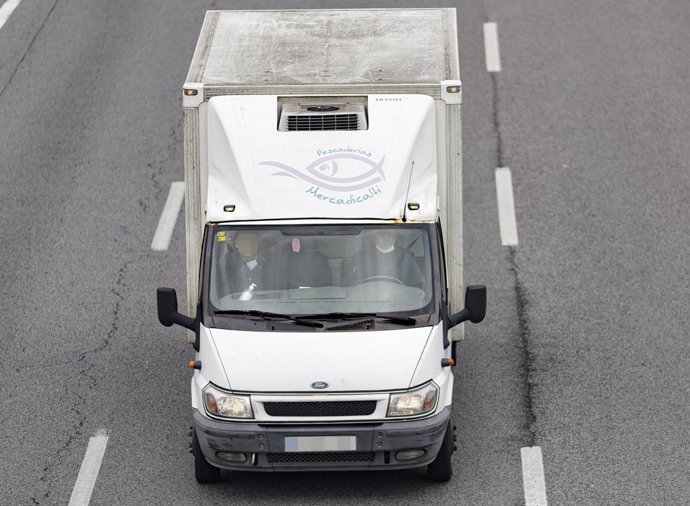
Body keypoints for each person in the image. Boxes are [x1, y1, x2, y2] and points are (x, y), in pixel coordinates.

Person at [349, 230, 425, 288]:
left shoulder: (406, 256)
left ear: (394, 238)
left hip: (399, 300)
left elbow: (418, 283)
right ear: (375, 238)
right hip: (367, 300)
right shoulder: (361, 256)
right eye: (381, 234)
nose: (385, 238)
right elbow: (351, 283)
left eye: (389, 235)